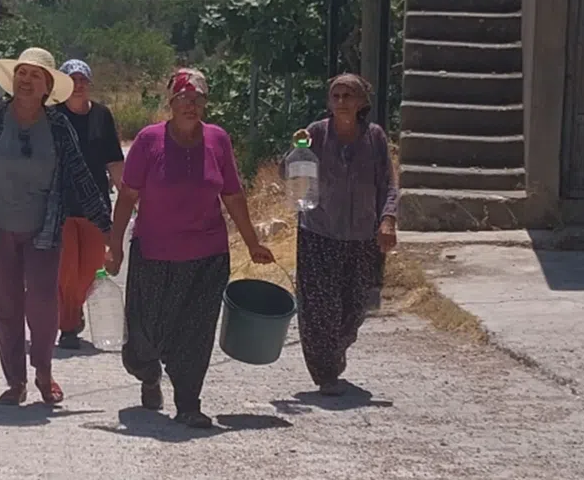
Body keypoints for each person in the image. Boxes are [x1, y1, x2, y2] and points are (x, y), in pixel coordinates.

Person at [0, 48, 112, 407]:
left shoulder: (59, 127)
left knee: (44, 303)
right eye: (22, 74)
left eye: (35, 76)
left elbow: (80, 175)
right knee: (7, 305)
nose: (27, 81)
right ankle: (15, 381)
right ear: (13, 80)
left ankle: (44, 371)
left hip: (44, 229)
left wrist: (106, 227)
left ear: (48, 86)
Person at [106, 68, 274, 428]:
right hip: (154, 254)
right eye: (184, 98)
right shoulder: (149, 141)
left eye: (198, 99)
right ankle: (148, 374)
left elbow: (232, 194)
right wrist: (115, 246)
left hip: (207, 256)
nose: (192, 105)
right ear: (171, 102)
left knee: (195, 333)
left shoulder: (218, 140)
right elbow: (127, 197)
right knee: (143, 340)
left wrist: (251, 242)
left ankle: (188, 402)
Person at [295, 73, 399, 396]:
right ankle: (325, 372)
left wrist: (388, 220)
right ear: (329, 102)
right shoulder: (315, 134)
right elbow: (294, 175)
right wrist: (297, 149)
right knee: (319, 308)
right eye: (336, 96)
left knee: (355, 307)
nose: (341, 102)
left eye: (348, 96)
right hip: (319, 233)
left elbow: (388, 184)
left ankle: (335, 353)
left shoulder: (375, 138)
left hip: (362, 237)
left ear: (361, 103)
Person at [55, 59, 125, 350]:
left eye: (83, 79)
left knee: (90, 269)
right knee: (66, 269)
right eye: (72, 79)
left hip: (95, 205)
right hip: (60, 206)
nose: (78, 84)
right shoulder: (53, 116)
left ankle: (75, 309)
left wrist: (129, 198)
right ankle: (68, 326)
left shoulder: (102, 116)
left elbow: (114, 161)